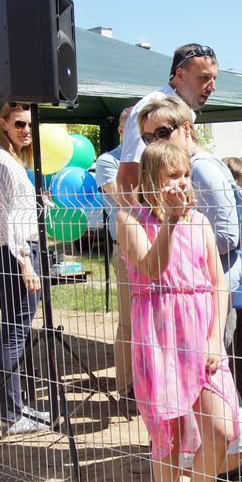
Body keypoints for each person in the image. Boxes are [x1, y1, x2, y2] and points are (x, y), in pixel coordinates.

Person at [117, 140, 238, 482]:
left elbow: (219, 284)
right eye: (172, 175)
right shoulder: (129, 219)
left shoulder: (200, 222)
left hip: (201, 337)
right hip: (159, 338)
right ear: (151, 180)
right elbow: (153, 268)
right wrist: (168, 221)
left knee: (221, 429)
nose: (182, 183)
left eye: (185, 174)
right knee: (166, 437)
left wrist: (214, 339)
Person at [136, 96, 242, 482]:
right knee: (188, 405)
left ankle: (230, 463)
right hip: (180, 307)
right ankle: (196, 478)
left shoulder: (199, 171)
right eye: (147, 137)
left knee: (218, 395)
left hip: (206, 300)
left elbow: (228, 234)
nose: (154, 142)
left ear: (184, 129)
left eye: (161, 132)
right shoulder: (156, 193)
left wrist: (189, 250)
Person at [0, 103, 51, 436]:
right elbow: (6, 216)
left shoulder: (8, 161)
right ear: (3, 124)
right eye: (20, 124)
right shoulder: (1, 162)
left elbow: (15, 210)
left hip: (15, 250)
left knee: (16, 331)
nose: (26, 130)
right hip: (13, 253)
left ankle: (17, 408)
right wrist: (25, 262)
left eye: (30, 125)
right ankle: (11, 415)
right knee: (14, 333)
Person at [116, 43, 218, 204]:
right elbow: (127, 179)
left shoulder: (182, 109)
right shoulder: (153, 109)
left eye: (214, 78)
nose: (212, 87)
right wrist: (144, 218)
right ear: (180, 74)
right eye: (204, 78)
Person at [94, 106, 138, 412]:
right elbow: (123, 199)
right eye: (132, 127)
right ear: (121, 131)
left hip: (158, 245)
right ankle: (128, 388)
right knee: (129, 323)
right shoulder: (108, 161)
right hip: (125, 248)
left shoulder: (152, 157)